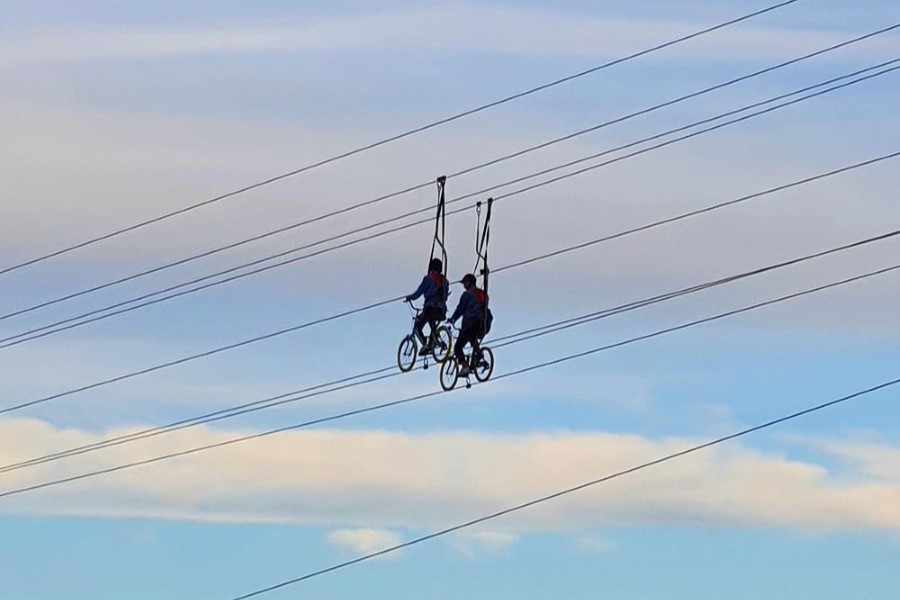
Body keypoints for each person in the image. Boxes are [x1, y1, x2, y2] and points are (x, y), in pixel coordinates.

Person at [405, 258, 450, 354]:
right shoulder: (444, 281)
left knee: (417, 327)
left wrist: (410, 298)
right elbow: (445, 297)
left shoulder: (428, 278)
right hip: (441, 310)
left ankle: (425, 345)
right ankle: (434, 341)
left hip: (430, 308)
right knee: (431, 322)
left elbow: (419, 293)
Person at [447, 273, 488, 377]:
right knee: (472, 339)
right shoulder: (484, 294)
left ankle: (464, 366)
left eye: (465, 283)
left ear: (469, 283)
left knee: (457, 347)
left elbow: (460, 309)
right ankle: (479, 356)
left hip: (470, 324)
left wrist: (452, 319)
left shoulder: (467, 295)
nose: (464, 286)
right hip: (482, 324)